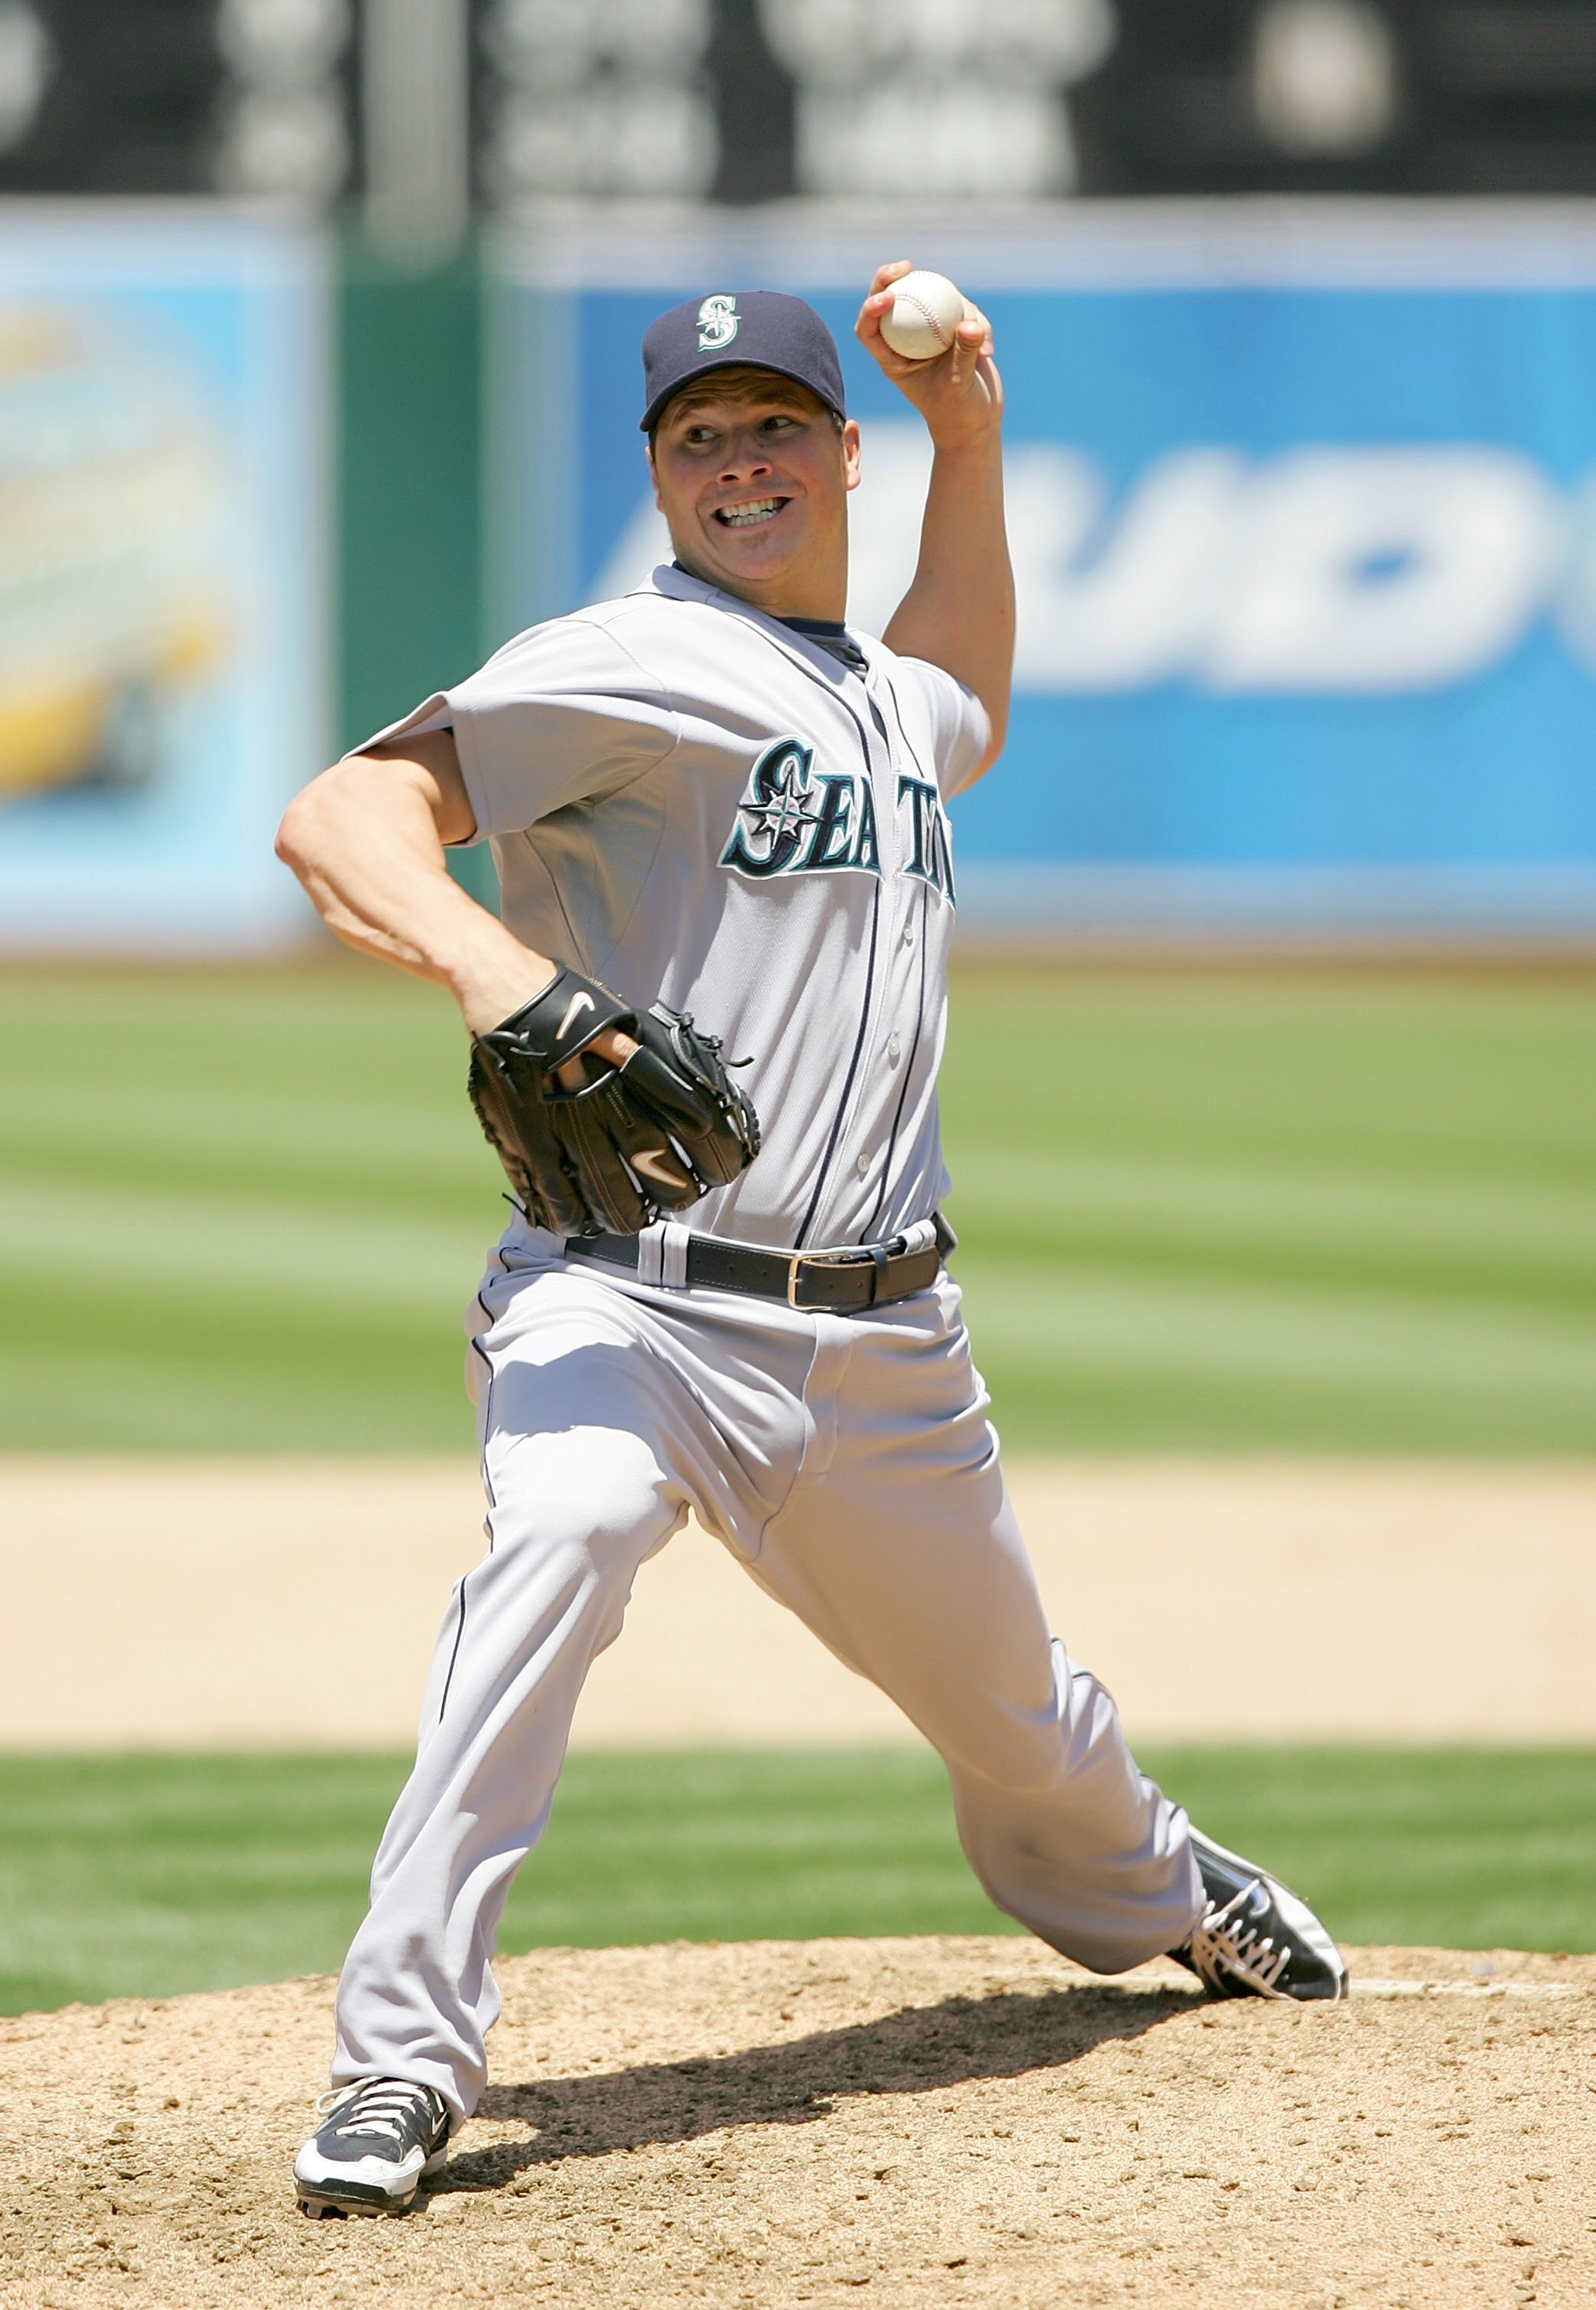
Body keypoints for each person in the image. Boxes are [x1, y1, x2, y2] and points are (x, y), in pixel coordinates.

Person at [276, 264, 1346, 2221]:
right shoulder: (618, 658)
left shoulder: (879, 701)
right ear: (660, 477)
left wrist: (977, 432)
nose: (738, 461)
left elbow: (968, 689)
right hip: (629, 1304)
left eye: (771, 423)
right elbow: (343, 817)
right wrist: (507, 983)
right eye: (698, 437)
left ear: (837, 451)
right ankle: (397, 2062)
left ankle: (1159, 1883)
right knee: (567, 1532)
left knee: (1020, 1723)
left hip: (881, 1350)